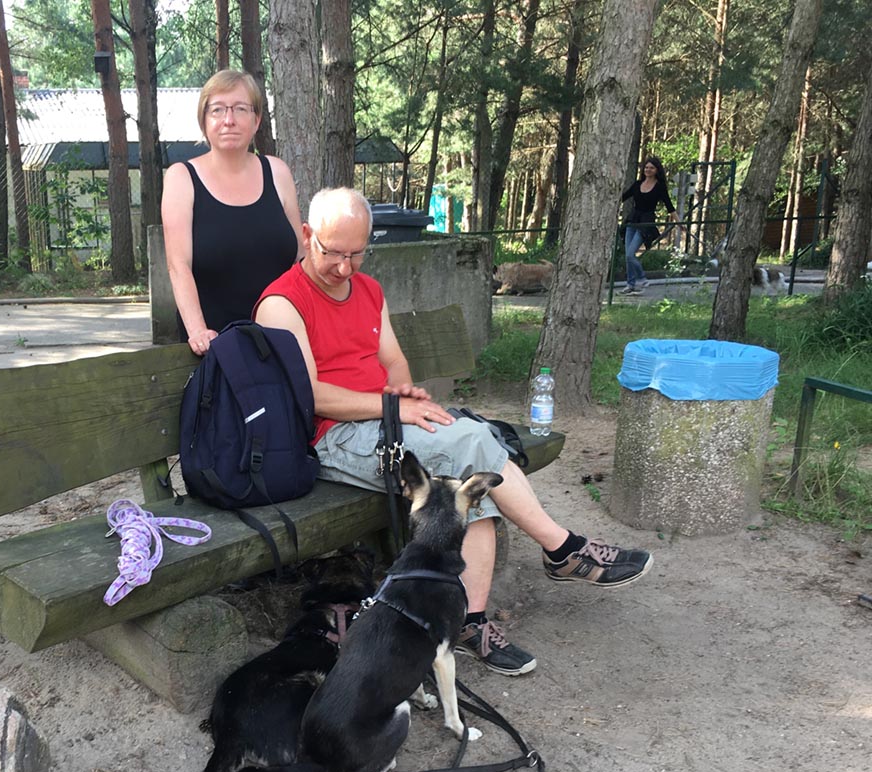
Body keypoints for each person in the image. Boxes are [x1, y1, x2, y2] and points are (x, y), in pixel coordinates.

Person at [254, 187, 654, 677]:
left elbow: (393, 361)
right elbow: (310, 395)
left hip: (384, 420)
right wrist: (395, 407)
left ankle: (470, 621)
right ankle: (562, 548)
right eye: (333, 253)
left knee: (471, 470)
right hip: (333, 438)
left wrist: (405, 393)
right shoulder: (282, 303)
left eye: (357, 254)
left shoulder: (369, 290)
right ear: (306, 235)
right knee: (471, 445)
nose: (345, 267)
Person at [162, 70, 304, 356]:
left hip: (282, 343)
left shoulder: (278, 172)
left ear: (257, 119)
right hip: (217, 350)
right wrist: (198, 331)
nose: (229, 120)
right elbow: (178, 266)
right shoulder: (182, 178)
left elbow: (300, 259)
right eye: (217, 110)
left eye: (240, 109)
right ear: (204, 120)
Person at [619, 156, 675, 296]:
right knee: (628, 255)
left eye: (651, 168)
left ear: (656, 170)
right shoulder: (637, 184)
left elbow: (669, 206)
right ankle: (630, 284)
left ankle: (642, 279)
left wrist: (679, 223)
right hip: (633, 220)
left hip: (646, 222)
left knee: (631, 254)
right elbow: (623, 197)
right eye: (646, 167)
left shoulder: (659, 187)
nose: (648, 170)